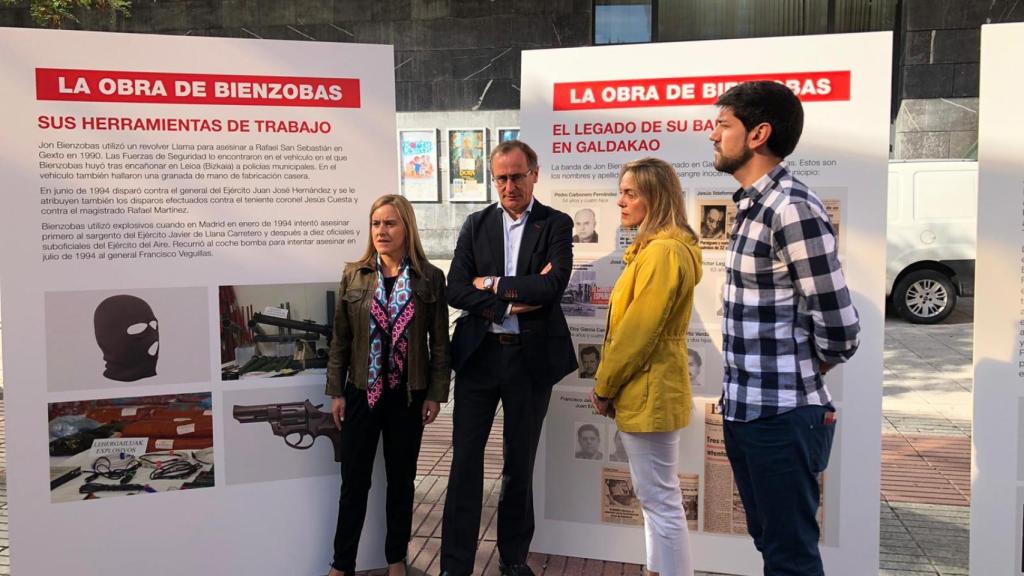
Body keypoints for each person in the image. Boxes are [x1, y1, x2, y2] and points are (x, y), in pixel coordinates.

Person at [710, 81, 860, 576]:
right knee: (771, 545)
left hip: (781, 417)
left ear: (759, 134)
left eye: (722, 124)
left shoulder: (791, 208)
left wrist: (804, 367)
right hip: (747, 411)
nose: (712, 135)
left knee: (790, 557)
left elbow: (840, 326)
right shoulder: (752, 205)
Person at [441, 140, 577, 576]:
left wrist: (492, 283)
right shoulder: (476, 224)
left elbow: (551, 287)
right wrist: (507, 303)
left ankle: (514, 559)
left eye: (517, 175)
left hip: (529, 362)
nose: (509, 185)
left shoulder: (555, 224)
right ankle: (455, 565)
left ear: (534, 174)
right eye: (501, 177)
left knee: (519, 465)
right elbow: (455, 288)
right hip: (479, 360)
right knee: (464, 464)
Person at [325, 195, 451, 576]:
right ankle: (341, 564)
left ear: (406, 227)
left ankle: (396, 559)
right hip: (362, 393)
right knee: (354, 484)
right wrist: (336, 390)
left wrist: (435, 393)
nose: (382, 230)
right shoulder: (355, 275)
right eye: (376, 223)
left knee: (401, 483)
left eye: (390, 223)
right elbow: (340, 340)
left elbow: (440, 342)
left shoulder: (429, 278)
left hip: (407, 396)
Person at [590, 157, 702, 576]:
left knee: (660, 500)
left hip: (650, 389)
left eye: (629, 193)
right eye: (621, 191)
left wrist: (604, 386)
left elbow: (637, 333)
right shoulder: (656, 250)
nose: (619, 201)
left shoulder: (662, 253)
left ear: (655, 198)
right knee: (657, 497)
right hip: (650, 389)